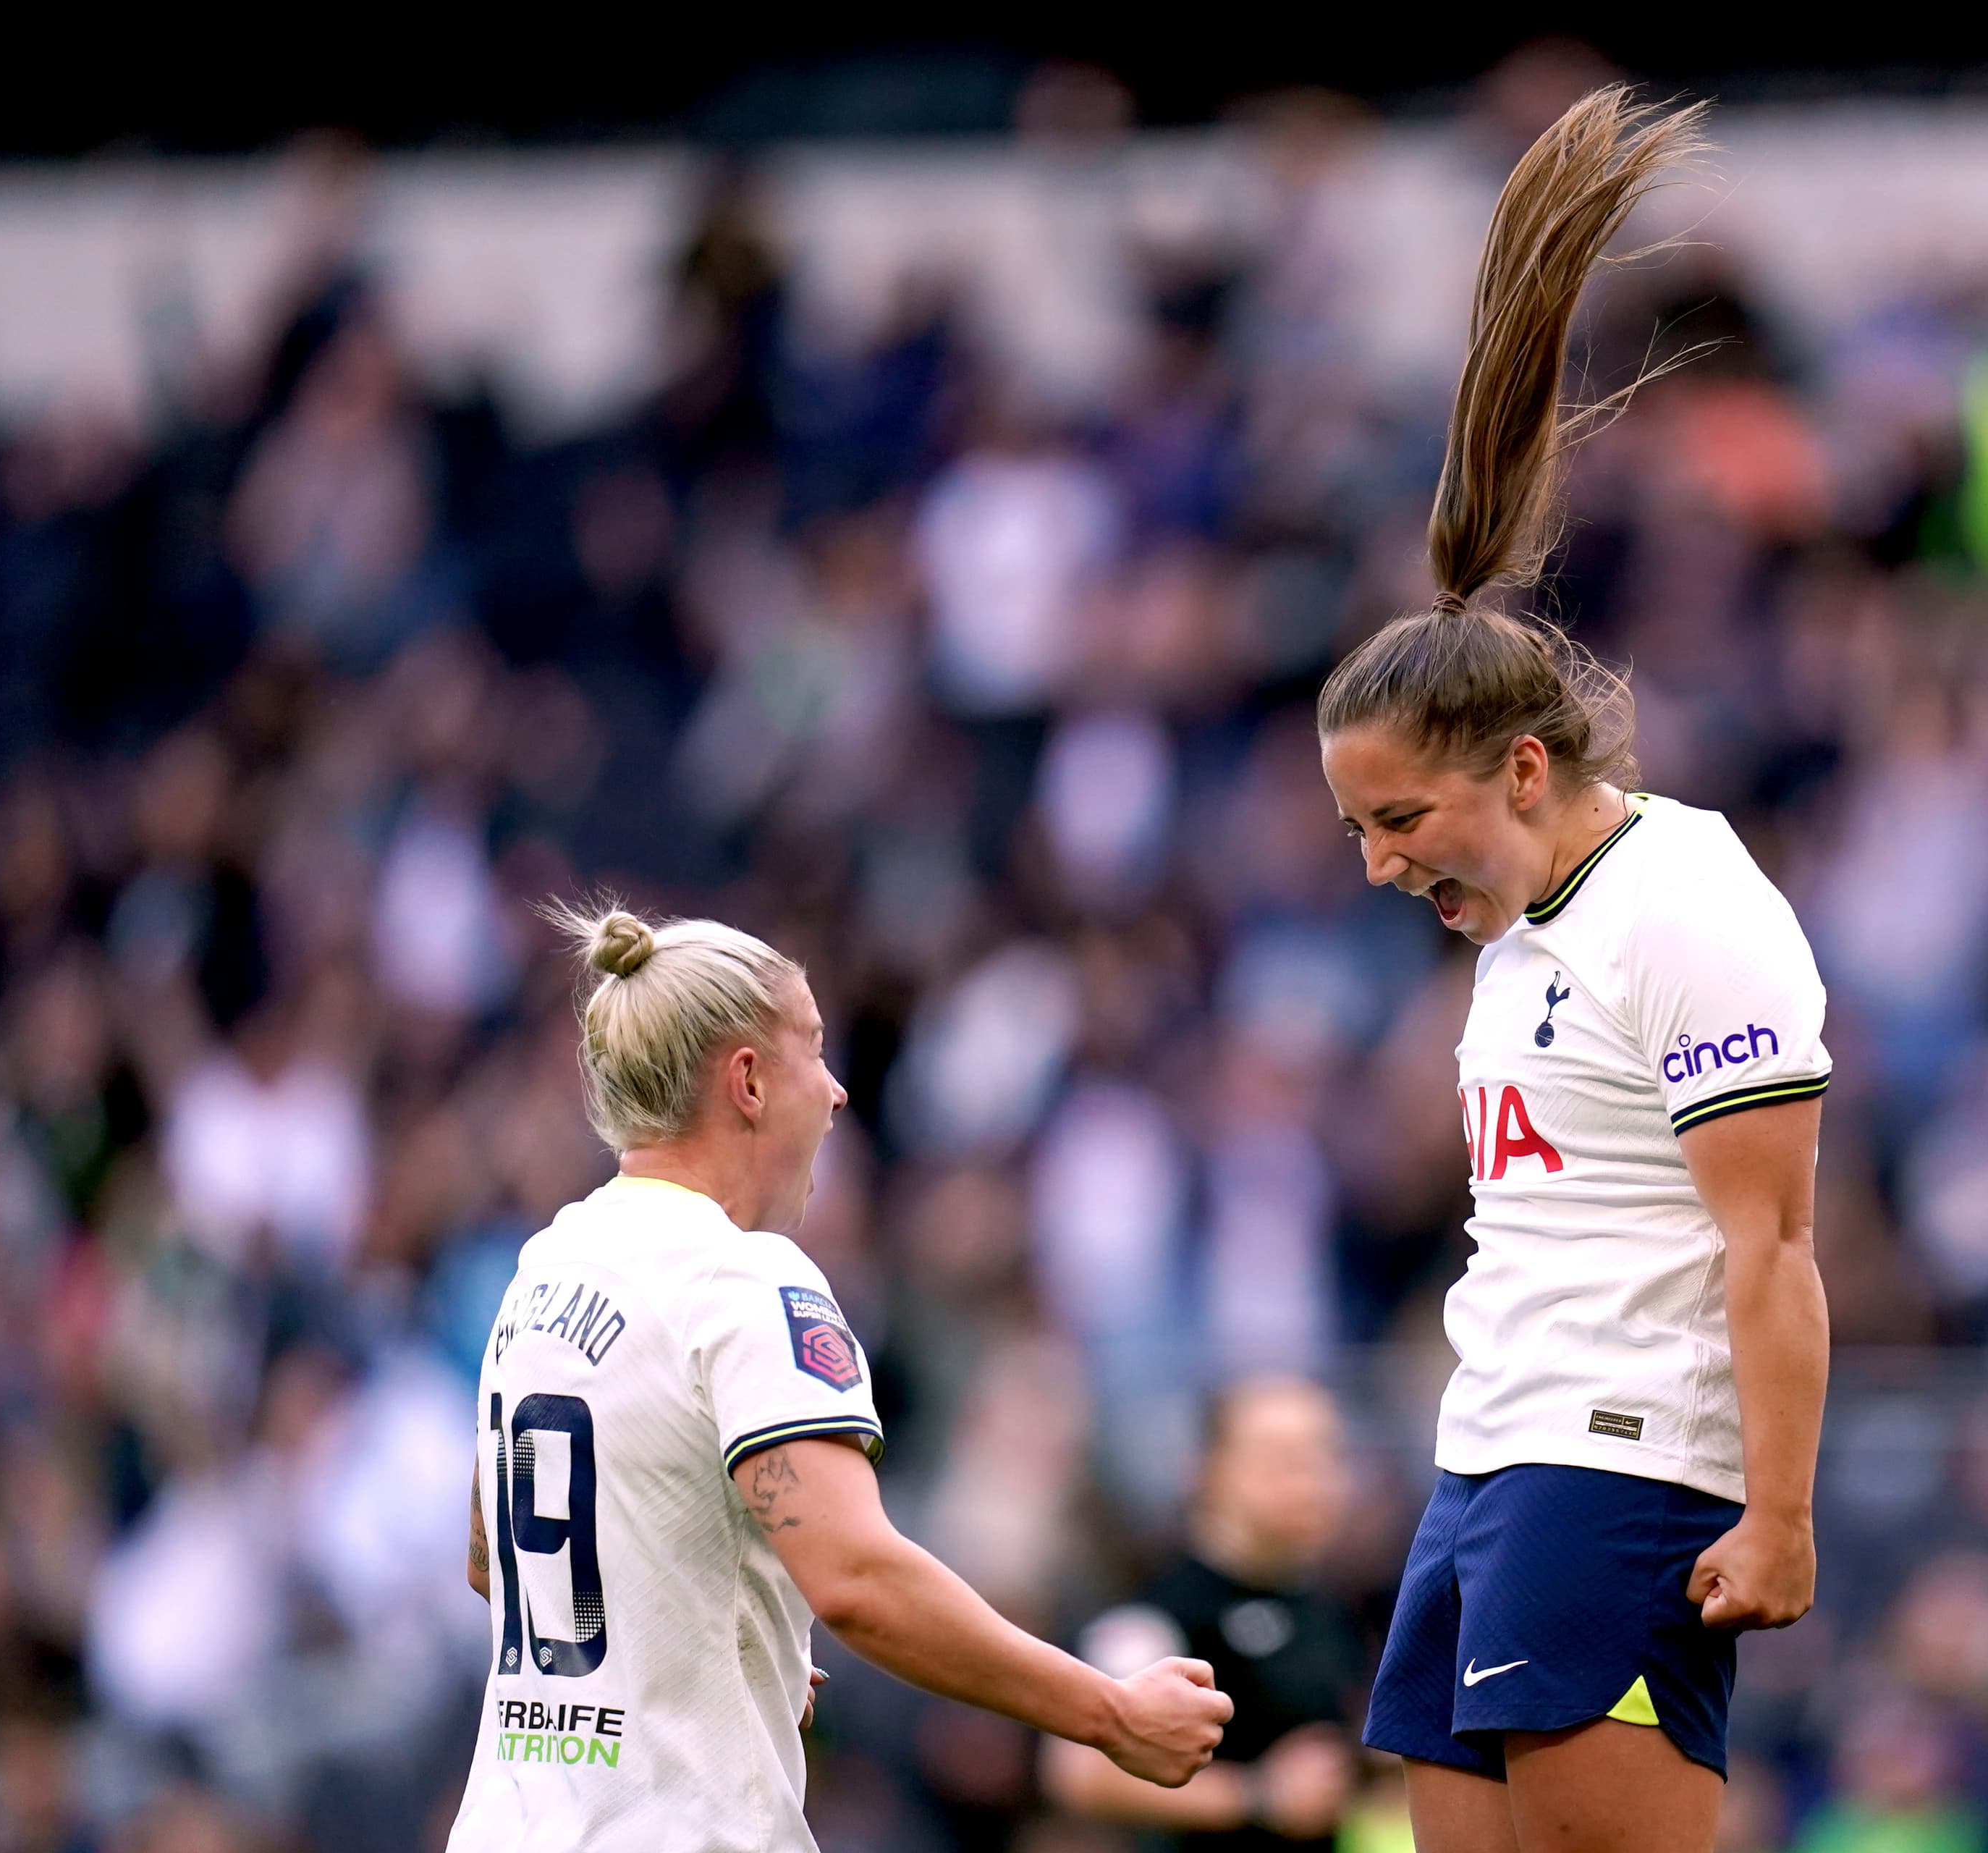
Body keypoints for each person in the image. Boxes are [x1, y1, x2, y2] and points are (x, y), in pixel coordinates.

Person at [1315, 86, 1832, 1853]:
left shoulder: (1681, 895)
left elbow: (1767, 1244)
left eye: (1404, 818)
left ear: (1522, 771)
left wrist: (1776, 1514)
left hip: (1616, 1468)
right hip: (1486, 1459)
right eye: (1360, 834)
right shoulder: (1520, 927)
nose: (1384, 865)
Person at [444, 905, 1232, 1852]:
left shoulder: (544, 1269)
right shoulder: (744, 1278)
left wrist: (728, 1638)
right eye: (813, 1052)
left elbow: (495, 1555)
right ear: (747, 1081)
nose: (836, 1091)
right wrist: (1110, 1713)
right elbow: (857, 1580)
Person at [1045, 1376, 1369, 1851]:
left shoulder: (1336, 1608)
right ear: (1207, 1470)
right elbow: (1078, 1774)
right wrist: (1257, 1797)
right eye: (1282, 1459)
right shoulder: (1160, 1613)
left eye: (1324, 1456)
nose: (1311, 1481)